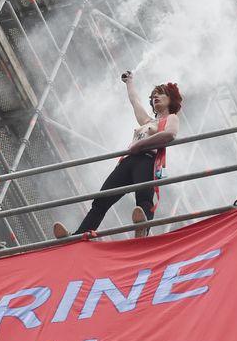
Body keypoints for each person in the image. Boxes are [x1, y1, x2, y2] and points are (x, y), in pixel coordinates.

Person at [53, 71, 181, 239]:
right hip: (129, 161)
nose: (156, 97)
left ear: (171, 99)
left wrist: (140, 144)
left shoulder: (171, 118)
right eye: (154, 95)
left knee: (143, 199)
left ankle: (142, 231)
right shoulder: (147, 121)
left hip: (146, 160)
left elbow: (170, 134)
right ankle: (79, 235)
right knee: (101, 199)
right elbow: (135, 101)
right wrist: (129, 82)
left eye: (161, 93)